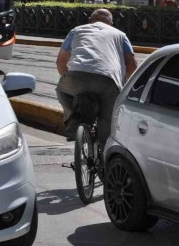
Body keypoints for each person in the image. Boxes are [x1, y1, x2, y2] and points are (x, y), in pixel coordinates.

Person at [55, 9, 137, 150]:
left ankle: (73, 123)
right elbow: (133, 65)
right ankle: (103, 157)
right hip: (108, 81)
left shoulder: (76, 30)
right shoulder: (120, 35)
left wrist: (67, 79)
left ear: (89, 20)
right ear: (111, 23)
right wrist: (121, 82)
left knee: (62, 92)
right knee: (107, 121)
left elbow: (61, 62)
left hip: (76, 76)